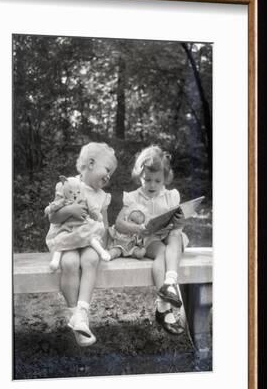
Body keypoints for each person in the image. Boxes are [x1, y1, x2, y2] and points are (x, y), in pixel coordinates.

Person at [44, 142, 117, 346]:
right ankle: (74, 313)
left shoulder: (102, 196)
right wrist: (70, 211)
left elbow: (103, 222)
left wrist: (107, 240)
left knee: (91, 259)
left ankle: (82, 313)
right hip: (66, 238)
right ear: (91, 163)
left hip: (89, 240)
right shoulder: (68, 185)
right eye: (107, 169)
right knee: (69, 264)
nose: (109, 176)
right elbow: (53, 217)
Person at [111, 145, 188, 335]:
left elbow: (177, 227)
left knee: (176, 235)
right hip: (149, 240)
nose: (152, 185)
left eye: (158, 180)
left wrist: (179, 222)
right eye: (147, 180)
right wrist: (139, 228)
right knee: (161, 252)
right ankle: (163, 304)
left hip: (170, 236)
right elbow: (119, 224)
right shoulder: (133, 198)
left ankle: (170, 283)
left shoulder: (171, 196)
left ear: (166, 178)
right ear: (139, 175)